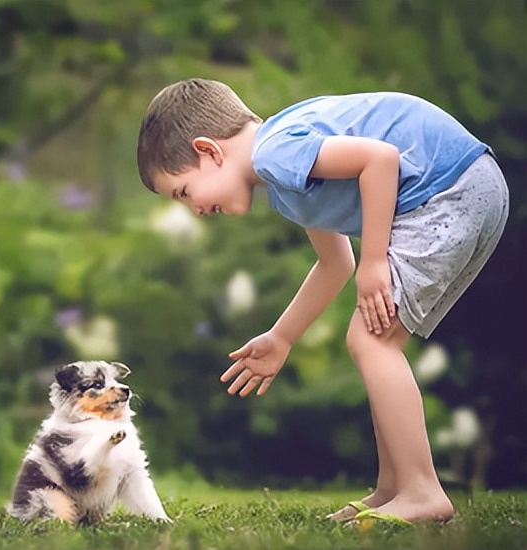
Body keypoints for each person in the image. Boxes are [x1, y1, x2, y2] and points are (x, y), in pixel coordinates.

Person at [136, 78, 509, 524]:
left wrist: (375, 261)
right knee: (376, 338)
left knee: (371, 341)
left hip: (447, 191)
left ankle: (421, 491)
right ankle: (394, 488)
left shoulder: (274, 151)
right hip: (470, 189)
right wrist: (282, 337)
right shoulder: (285, 179)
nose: (193, 209)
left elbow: (380, 159)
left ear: (209, 151)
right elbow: (335, 264)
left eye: (183, 191)